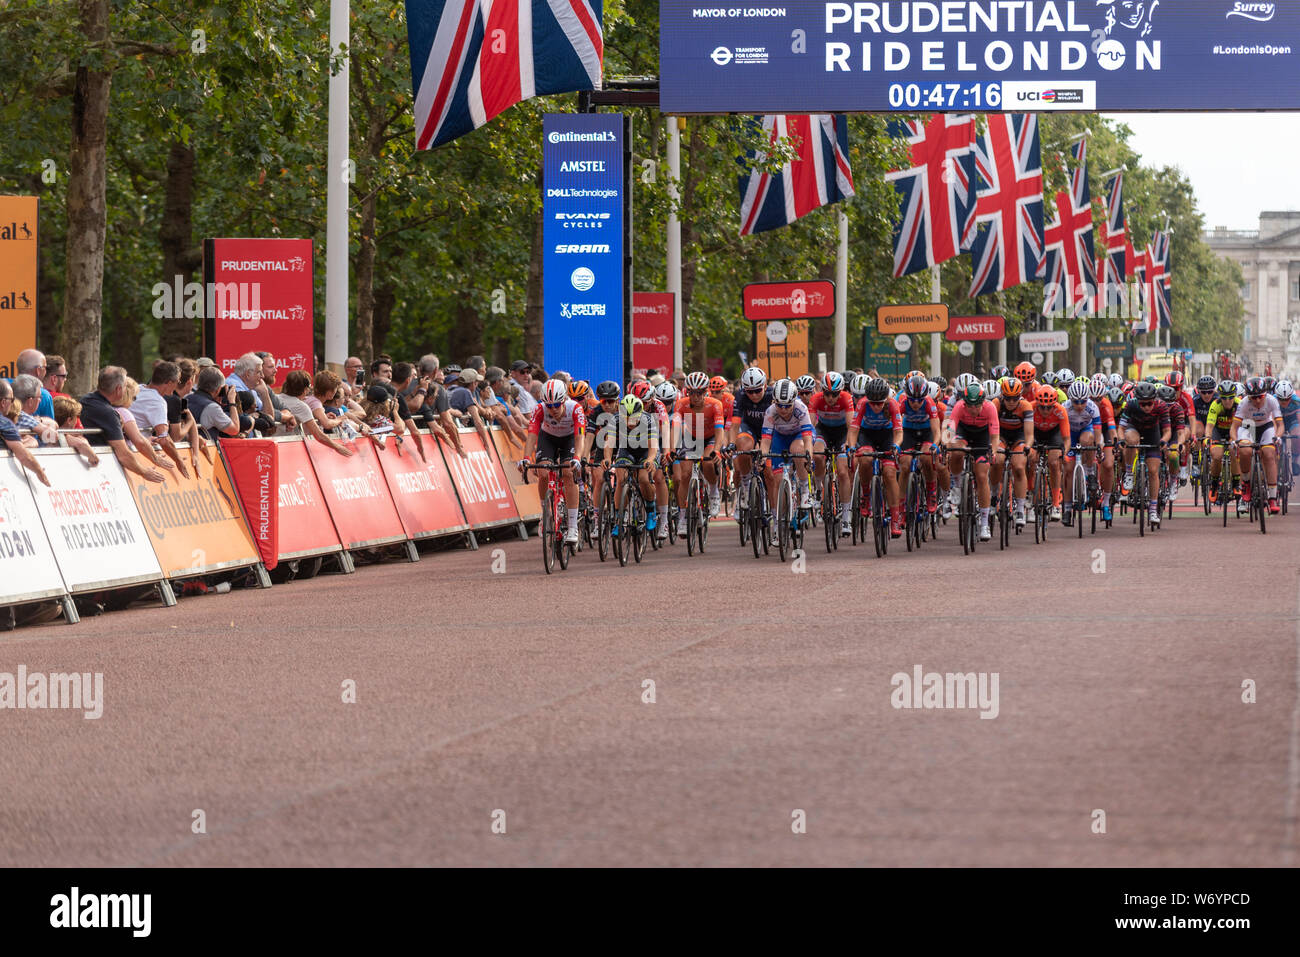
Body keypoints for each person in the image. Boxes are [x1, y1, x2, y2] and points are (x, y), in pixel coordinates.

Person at [522, 378, 587, 545]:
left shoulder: (576, 409)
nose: (553, 409)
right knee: (543, 472)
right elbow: (532, 436)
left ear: (564, 399)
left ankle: (572, 526)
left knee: (567, 472)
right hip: (548, 439)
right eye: (549, 406)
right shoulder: (539, 409)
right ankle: (546, 514)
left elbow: (580, 437)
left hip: (569, 440)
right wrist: (526, 458)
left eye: (557, 405)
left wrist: (577, 458)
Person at [77, 367, 166, 483]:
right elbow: (123, 454)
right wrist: (145, 472)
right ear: (119, 389)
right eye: (125, 387)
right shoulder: (108, 413)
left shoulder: (85, 399)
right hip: (98, 472)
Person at [278, 370, 353, 456]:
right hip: (289, 448)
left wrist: (318, 417)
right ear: (305, 389)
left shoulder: (277, 398)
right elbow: (321, 432)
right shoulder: (304, 405)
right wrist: (338, 447)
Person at [0, 379, 51, 486]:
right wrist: (40, 472)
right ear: (3, 402)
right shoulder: (5, 424)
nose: (13, 403)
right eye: (11, 399)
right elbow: (23, 455)